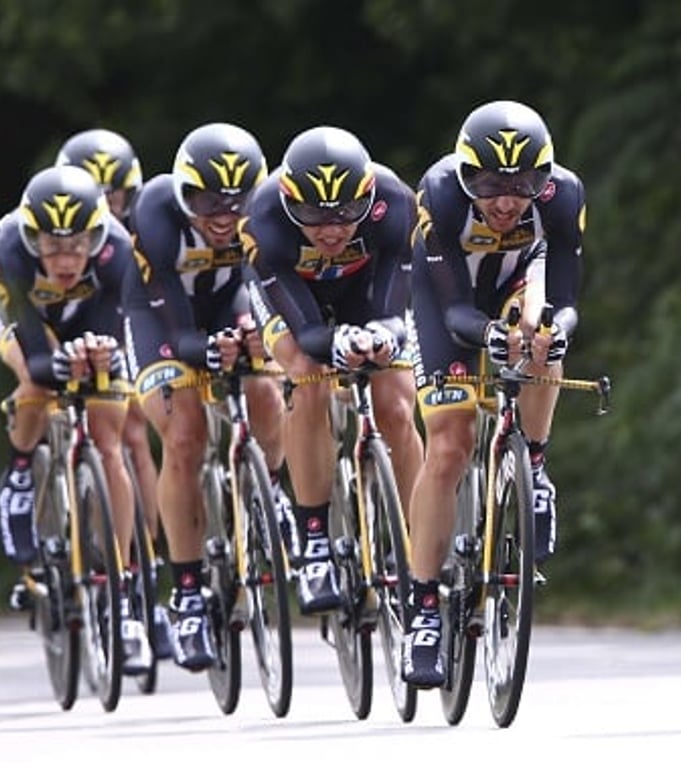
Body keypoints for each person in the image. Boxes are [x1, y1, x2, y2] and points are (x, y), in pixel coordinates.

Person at [401, 100, 585, 688]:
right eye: (488, 186)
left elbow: (565, 294)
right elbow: (453, 307)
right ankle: (424, 609)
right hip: (445, 301)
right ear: (464, 178)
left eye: (523, 186)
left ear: (545, 179)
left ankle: (533, 462)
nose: (506, 202)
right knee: (450, 445)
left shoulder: (564, 196)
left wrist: (550, 329)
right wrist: (490, 337)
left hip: (516, 282)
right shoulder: (439, 193)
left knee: (544, 337)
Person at [122, 122, 290, 670]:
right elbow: (168, 312)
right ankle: (188, 593)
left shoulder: (268, 214)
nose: (222, 219)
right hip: (158, 321)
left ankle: (269, 488)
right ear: (182, 194)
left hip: (227, 307)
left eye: (235, 205)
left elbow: (270, 290)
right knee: (186, 436)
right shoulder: (155, 212)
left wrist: (258, 340)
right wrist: (207, 350)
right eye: (207, 203)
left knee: (266, 386)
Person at [242, 125, 423, 616]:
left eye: (345, 213)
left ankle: (417, 539)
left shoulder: (396, 203)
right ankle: (314, 539)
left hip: (367, 295)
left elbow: (396, 303)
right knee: (309, 376)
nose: (331, 229)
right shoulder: (262, 217)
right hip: (294, 304)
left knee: (397, 403)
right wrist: (333, 342)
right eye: (312, 215)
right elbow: (304, 332)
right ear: (288, 202)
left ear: (367, 197)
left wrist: (386, 335)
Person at [0, 164, 152, 674]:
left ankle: (121, 589)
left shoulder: (118, 248)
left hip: (94, 314)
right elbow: (31, 345)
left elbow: (123, 324)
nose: (65, 259)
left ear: (96, 238)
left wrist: (103, 359)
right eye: (53, 247)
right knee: (37, 382)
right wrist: (51, 362)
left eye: (77, 245)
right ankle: (19, 472)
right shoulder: (9, 245)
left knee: (109, 434)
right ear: (33, 238)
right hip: (27, 320)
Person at [56, 127, 171, 656]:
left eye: (114, 197)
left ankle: (146, 562)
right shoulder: (53, 226)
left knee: (131, 431)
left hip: (119, 315)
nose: (103, 206)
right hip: (57, 321)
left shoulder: (133, 231)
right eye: (92, 193)